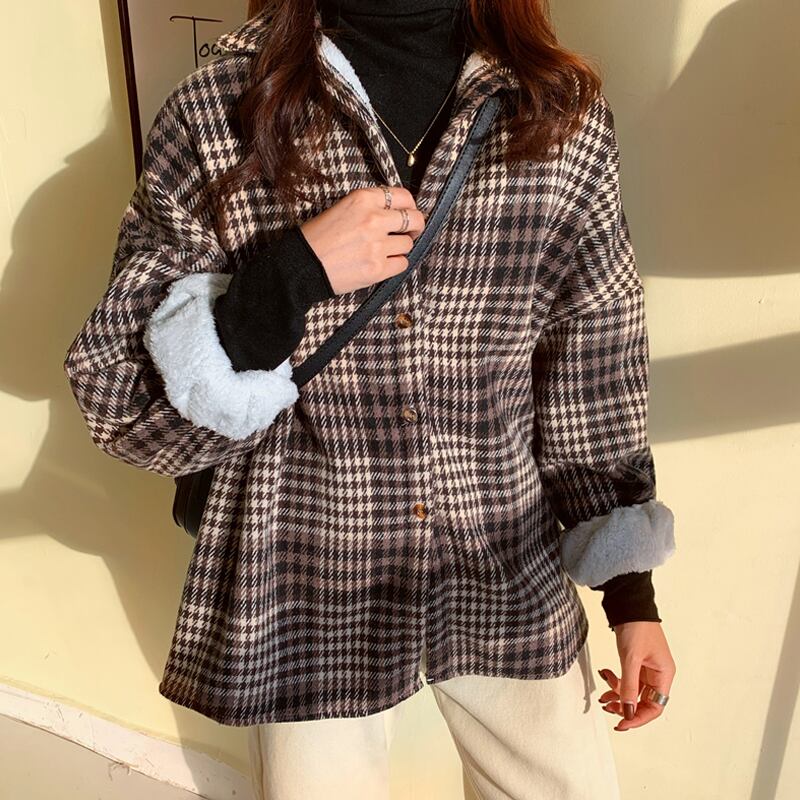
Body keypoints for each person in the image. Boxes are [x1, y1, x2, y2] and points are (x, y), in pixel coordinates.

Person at [63, 1, 677, 797]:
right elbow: (118, 392)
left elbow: (594, 360)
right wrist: (292, 276)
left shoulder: (556, 114)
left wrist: (631, 596)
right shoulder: (225, 105)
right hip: (304, 564)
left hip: (500, 549)